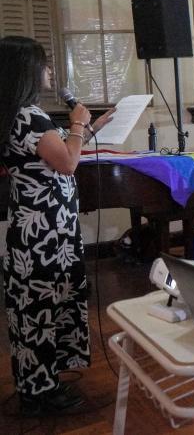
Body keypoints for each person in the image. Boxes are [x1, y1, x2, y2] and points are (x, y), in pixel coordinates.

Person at [0, 36, 115, 415]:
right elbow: (67, 163)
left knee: (39, 306)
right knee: (42, 305)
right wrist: (78, 123)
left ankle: (39, 383)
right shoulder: (29, 116)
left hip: (37, 227)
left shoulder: (15, 113)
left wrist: (91, 127)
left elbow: (56, 152)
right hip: (45, 232)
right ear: (27, 71)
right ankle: (40, 394)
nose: (50, 70)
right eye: (44, 64)